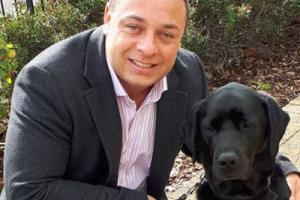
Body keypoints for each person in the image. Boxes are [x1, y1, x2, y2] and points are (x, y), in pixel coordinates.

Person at [1, 0, 300, 199]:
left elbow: (213, 134)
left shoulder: (186, 73)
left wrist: (281, 165)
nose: (148, 48)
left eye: (167, 34)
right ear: (108, 17)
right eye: (134, 27)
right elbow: (27, 191)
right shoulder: (48, 80)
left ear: (182, 36)